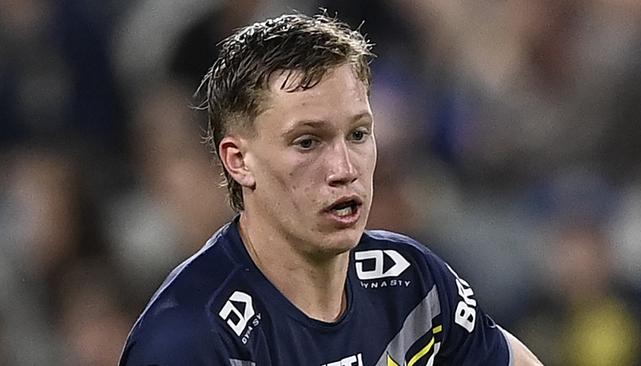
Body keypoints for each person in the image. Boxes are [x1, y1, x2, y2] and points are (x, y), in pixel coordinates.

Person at [119, 13, 542, 365]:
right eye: (307, 142)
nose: (343, 169)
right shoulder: (192, 339)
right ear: (239, 160)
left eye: (358, 134)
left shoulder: (413, 287)